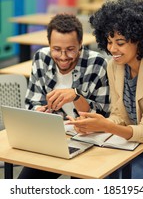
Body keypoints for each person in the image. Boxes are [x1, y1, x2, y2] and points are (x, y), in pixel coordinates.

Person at [68, 0, 143, 179]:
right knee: (108, 177)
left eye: (120, 43)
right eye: (109, 42)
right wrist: (96, 125)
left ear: (140, 40)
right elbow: (120, 116)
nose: (112, 49)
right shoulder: (114, 66)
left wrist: (107, 127)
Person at [18, 13, 110, 179]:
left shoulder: (97, 63)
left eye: (70, 50)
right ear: (49, 44)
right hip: (52, 139)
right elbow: (32, 102)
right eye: (57, 49)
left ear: (80, 44)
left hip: (88, 141)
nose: (63, 57)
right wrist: (39, 112)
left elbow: (102, 115)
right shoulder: (41, 58)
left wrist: (76, 96)